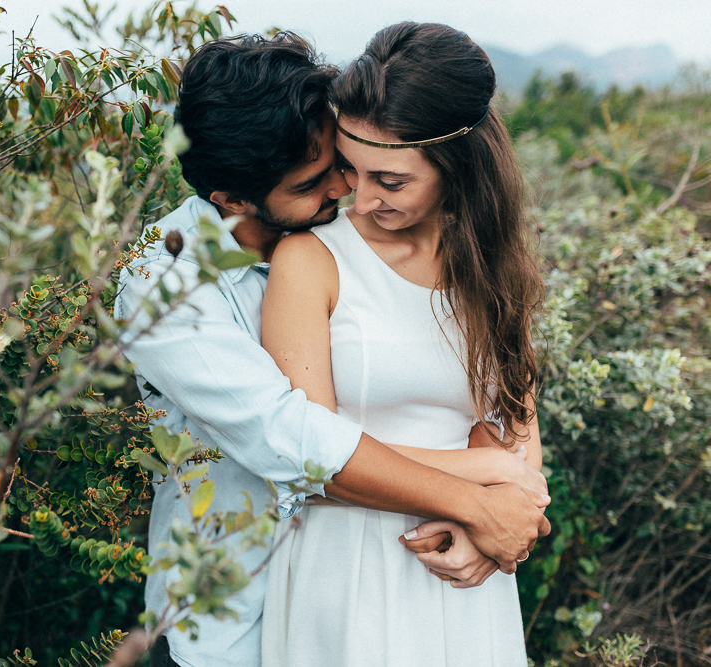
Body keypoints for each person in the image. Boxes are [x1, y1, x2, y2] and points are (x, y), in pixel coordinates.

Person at [114, 32, 549, 667]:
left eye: (344, 163)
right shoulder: (166, 284)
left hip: (440, 574)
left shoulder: (422, 246)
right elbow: (292, 438)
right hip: (238, 615)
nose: (347, 190)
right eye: (317, 180)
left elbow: (503, 410)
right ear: (232, 200)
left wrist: (502, 514)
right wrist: (489, 495)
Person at [259, 22, 546, 667]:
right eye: (348, 170)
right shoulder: (311, 260)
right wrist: (484, 482)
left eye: (389, 181)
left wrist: (493, 535)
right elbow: (307, 455)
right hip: (347, 569)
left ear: (458, 167)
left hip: (466, 571)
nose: (358, 201)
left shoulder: (492, 266)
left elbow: (520, 437)